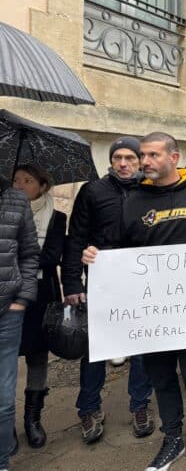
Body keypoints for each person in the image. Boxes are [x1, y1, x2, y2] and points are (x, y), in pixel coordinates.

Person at [82, 132, 186, 471]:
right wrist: (96, 255)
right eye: (142, 155)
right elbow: (116, 246)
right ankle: (173, 439)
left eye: (152, 155)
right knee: (161, 379)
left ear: (174, 158)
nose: (144, 161)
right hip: (152, 316)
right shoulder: (133, 201)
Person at [61, 136, 155, 444]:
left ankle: (140, 405)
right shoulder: (93, 191)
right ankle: (88, 408)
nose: (124, 163)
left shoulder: (151, 190)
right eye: (119, 158)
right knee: (96, 349)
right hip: (103, 282)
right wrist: (73, 282)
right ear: (111, 161)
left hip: (142, 282)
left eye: (130, 157)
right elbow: (75, 238)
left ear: (140, 161)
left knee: (142, 347)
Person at [11, 165, 66, 449]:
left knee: (36, 356)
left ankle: (33, 418)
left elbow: (51, 257)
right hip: (6, 294)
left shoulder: (57, 218)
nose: (20, 185)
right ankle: (5, 422)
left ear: (42, 186)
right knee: (6, 360)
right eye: (16, 180)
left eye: (28, 181)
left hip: (41, 294)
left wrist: (14, 251)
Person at [0, 175, 40, 469]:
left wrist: (21, 300)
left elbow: (29, 253)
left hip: (7, 310)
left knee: (3, 395)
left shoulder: (15, 199)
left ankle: (2, 459)